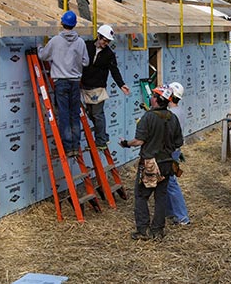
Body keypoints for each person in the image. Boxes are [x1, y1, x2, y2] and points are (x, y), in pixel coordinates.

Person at [119, 85, 183, 240]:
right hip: (167, 163)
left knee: (141, 196)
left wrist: (126, 143)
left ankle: (143, 231)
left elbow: (139, 141)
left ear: (157, 99)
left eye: (153, 95)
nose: (151, 98)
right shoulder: (172, 117)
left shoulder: (148, 117)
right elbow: (178, 142)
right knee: (161, 197)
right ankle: (157, 231)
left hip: (150, 164)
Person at [38, 11, 90, 157]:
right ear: (74, 25)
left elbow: (43, 56)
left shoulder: (55, 41)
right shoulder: (80, 42)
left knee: (64, 114)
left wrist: (39, 47)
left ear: (62, 23)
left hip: (61, 82)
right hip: (75, 82)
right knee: (74, 114)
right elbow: (86, 62)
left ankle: (67, 147)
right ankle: (75, 146)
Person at [80, 24, 131, 150]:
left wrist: (121, 84)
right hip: (85, 86)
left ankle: (101, 141)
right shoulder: (86, 46)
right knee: (91, 114)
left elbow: (114, 70)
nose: (106, 43)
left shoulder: (109, 54)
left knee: (98, 114)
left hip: (98, 88)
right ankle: (104, 136)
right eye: (105, 40)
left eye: (108, 41)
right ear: (99, 36)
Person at [165, 82, 190, 226]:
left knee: (171, 183)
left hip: (170, 151)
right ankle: (170, 212)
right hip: (174, 150)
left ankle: (182, 217)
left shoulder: (172, 114)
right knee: (167, 182)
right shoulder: (177, 111)